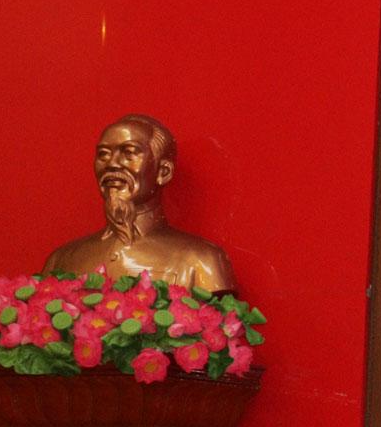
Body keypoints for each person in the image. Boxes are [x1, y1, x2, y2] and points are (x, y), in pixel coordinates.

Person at [43, 114, 237, 294]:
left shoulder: (202, 262)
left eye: (129, 153)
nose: (112, 164)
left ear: (163, 172)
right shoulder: (61, 261)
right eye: (103, 154)